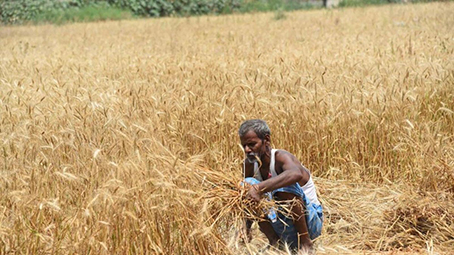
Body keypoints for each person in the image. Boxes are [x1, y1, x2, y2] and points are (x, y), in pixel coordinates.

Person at [238, 119, 323, 253]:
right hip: (279, 224)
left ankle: (306, 243)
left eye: (252, 144)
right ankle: (275, 241)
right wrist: (246, 228)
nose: (247, 150)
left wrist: (259, 188)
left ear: (266, 140)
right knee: (245, 185)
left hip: (310, 223)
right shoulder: (249, 165)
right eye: (244, 146)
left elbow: (296, 173)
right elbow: (248, 198)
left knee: (282, 184)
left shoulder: (281, 158)